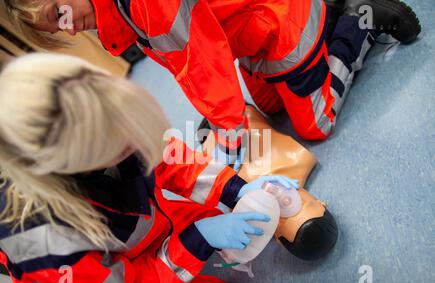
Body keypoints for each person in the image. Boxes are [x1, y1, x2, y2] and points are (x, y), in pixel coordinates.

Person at [0, 53, 299, 283]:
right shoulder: (48, 246)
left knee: (212, 216)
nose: (136, 138)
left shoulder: (102, 125)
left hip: (130, 227)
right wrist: (199, 239)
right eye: (123, 144)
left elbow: (172, 160)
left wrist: (237, 190)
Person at [1, 0, 421, 169]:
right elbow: (190, 62)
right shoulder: (121, 11)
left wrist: (228, 137)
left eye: (59, 12)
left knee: (315, 124)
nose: (71, 28)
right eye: (59, 31)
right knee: (270, 108)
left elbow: (203, 64)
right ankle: (326, 14)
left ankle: (359, 19)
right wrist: (221, 123)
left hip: (276, 18)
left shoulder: (145, 5)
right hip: (248, 33)